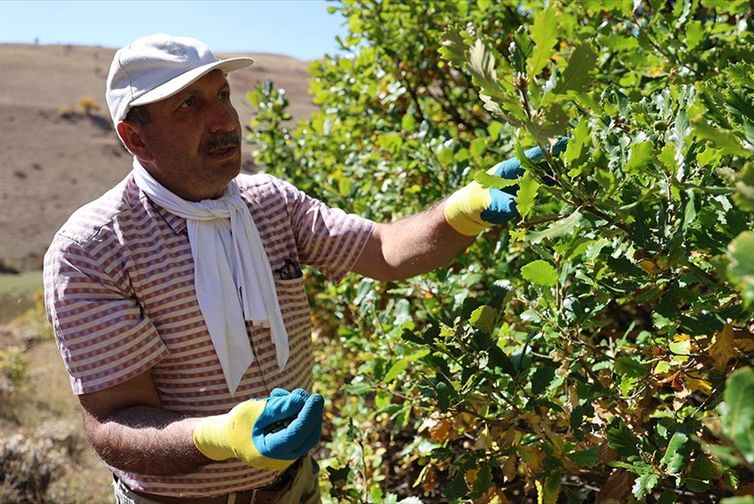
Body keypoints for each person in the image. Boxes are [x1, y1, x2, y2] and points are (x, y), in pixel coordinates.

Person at [43, 33, 561, 503]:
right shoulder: (93, 250)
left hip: (295, 488)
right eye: (189, 105)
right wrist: (220, 438)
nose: (224, 119)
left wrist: (459, 211)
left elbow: (382, 250)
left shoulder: (270, 204)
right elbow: (114, 424)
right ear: (135, 137)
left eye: (222, 95)